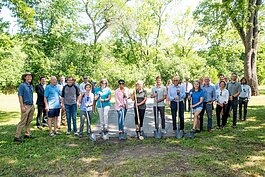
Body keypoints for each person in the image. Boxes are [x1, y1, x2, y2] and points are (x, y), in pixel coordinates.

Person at [14, 72, 35, 143]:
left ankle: (27, 134)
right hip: (25, 106)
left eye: (30, 76)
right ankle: (17, 137)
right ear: (25, 77)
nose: (30, 78)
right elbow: (20, 96)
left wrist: (33, 106)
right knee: (22, 121)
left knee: (29, 121)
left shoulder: (31, 86)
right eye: (28, 76)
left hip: (31, 105)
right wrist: (22, 106)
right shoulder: (22, 85)